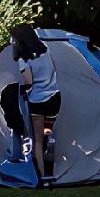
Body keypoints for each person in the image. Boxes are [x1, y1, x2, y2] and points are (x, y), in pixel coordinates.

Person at [11, 25, 63, 185]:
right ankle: (54, 166)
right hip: (54, 98)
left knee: (38, 141)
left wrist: (23, 91)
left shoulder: (23, 60)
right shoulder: (45, 50)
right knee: (49, 133)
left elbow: (28, 81)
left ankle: (42, 176)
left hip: (37, 101)